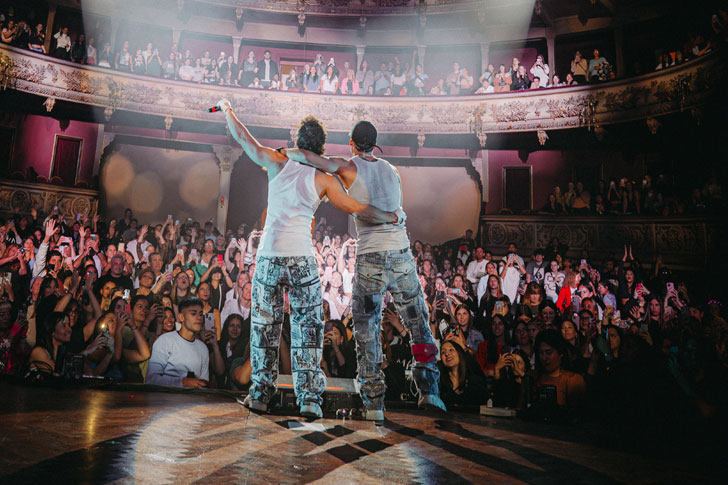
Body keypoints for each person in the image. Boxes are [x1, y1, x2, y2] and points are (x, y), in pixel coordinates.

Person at [218, 100, 400, 419]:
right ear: (322, 147)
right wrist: (390, 216)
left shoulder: (277, 161)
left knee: (265, 327)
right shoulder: (324, 179)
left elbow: (245, 139)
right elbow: (357, 208)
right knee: (308, 329)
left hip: (271, 256)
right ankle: (309, 400)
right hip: (301, 257)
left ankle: (260, 395)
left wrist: (228, 111)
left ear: (298, 139)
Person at [285, 119, 446, 420]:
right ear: (375, 142)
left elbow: (311, 158)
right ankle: (430, 393)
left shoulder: (349, 166)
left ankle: (374, 404)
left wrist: (282, 152)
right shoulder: (392, 171)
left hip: (371, 256)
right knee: (418, 324)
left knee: (367, 331)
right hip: (400, 254)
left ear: (351, 143)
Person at [145, 297, 219, 387]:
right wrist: (183, 382)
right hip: (166, 399)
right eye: (193, 314)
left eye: (200, 314)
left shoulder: (203, 348)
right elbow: (151, 379)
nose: (199, 318)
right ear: (181, 317)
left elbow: (203, 383)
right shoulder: (165, 341)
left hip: (194, 399)